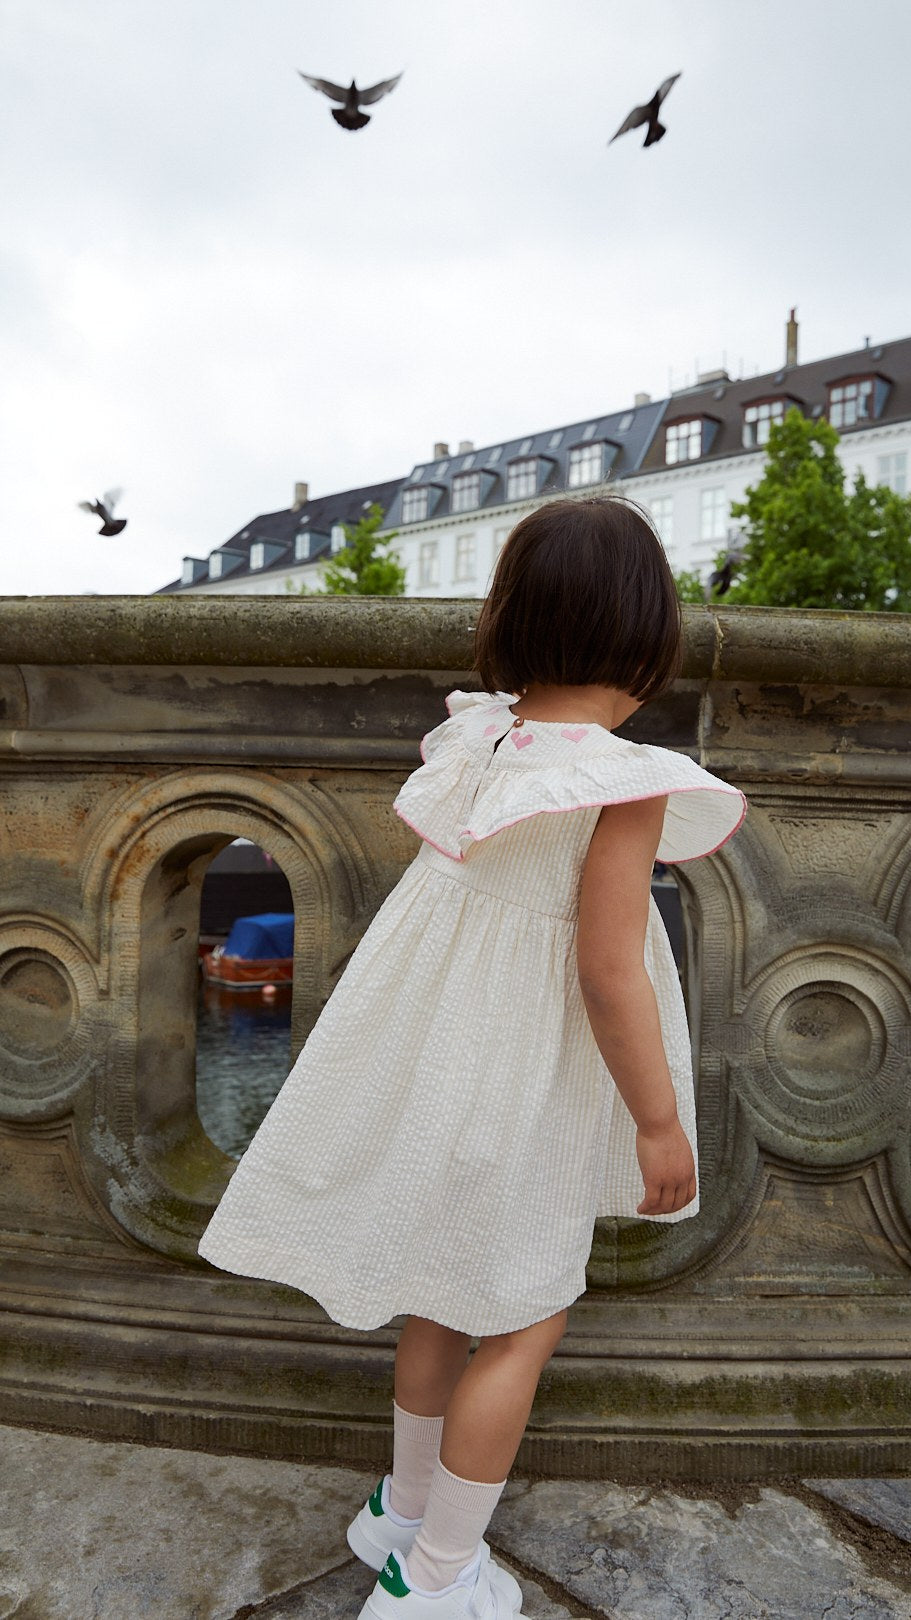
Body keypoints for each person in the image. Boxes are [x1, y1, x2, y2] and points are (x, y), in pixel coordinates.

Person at [197, 496, 747, 1618]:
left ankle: (400, 1510)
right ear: (648, 633)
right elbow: (607, 969)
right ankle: (437, 1575)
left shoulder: (481, 741)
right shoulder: (619, 780)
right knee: (526, 1320)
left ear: (516, 619)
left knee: (437, 1298)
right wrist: (654, 1119)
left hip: (441, 1068)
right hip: (527, 1087)